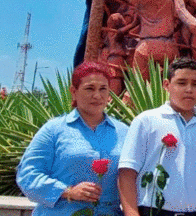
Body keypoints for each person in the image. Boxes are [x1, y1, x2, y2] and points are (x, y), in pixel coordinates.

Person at [118, 57, 196, 216]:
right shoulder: (146, 121)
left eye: (195, 84)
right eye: (182, 83)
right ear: (166, 85)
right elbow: (127, 172)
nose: (189, 89)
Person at [17, 61, 128, 216]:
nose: (97, 95)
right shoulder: (54, 130)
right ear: (74, 91)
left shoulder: (124, 132)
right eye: (89, 88)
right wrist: (68, 191)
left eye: (103, 89)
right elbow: (27, 175)